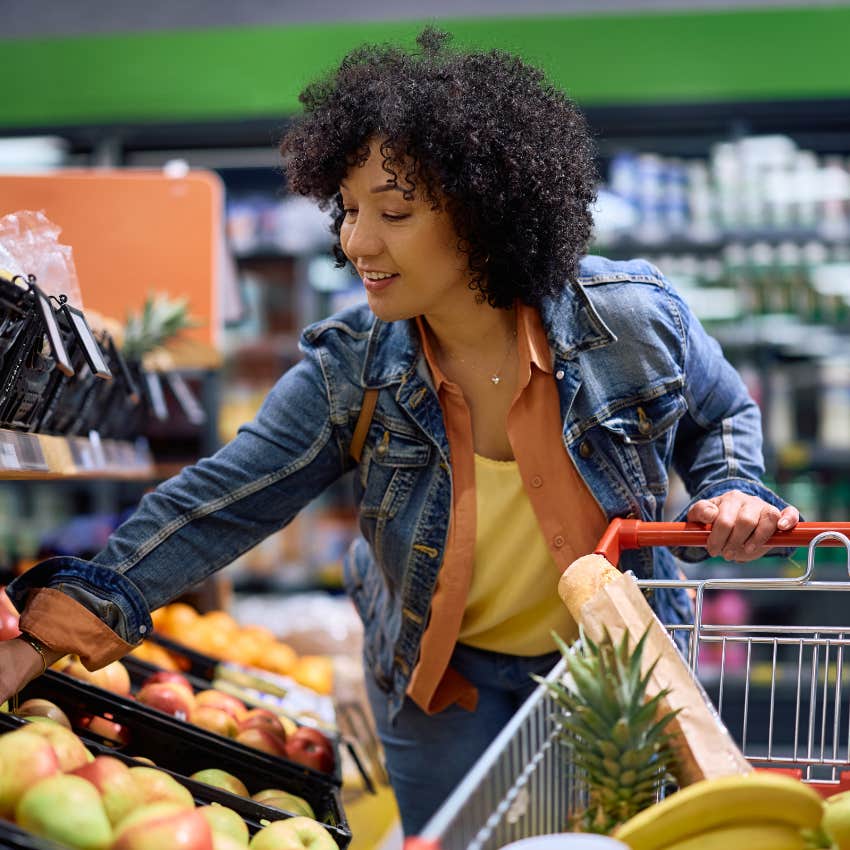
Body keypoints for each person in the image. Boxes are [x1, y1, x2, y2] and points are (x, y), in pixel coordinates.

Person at [0, 28, 798, 836]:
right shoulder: (354, 369)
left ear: (487, 212)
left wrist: (733, 485)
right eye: (347, 211)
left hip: (619, 672)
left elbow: (718, 412)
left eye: (395, 211)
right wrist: (42, 631)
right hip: (444, 686)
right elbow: (222, 501)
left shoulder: (628, 319)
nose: (357, 243)